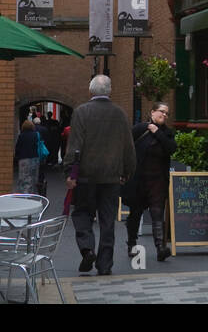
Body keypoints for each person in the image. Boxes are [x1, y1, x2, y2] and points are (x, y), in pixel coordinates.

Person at [66, 75, 135, 276]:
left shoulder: (81, 112)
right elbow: (128, 148)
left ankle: (87, 249)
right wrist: (127, 172)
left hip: (86, 176)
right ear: (109, 91)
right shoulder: (120, 114)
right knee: (107, 221)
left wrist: (70, 172)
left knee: (81, 213)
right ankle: (105, 265)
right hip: (111, 177)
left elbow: (74, 146)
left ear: (90, 91)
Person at [123, 102, 176, 263]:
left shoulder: (167, 133)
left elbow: (171, 148)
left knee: (157, 213)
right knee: (135, 213)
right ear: (152, 112)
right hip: (138, 179)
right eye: (162, 112)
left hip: (157, 180)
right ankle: (132, 244)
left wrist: (157, 132)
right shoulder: (139, 129)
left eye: (167, 113)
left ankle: (160, 248)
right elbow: (126, 149)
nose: (164, 115)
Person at [14, 119, 42, 194]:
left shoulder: (21, 136)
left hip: (24, 159)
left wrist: (16, 157)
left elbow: (18, 147)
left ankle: (25, 194)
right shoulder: (36, 134)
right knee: (34, 178)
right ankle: (33, 194)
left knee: (24, 178)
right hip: (35, 158)